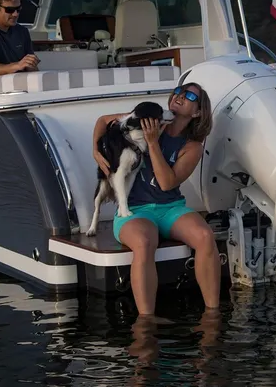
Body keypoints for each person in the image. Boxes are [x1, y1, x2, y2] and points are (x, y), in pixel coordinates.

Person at [92, 83, 218, 316]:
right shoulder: (146, 118)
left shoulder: (192, 148)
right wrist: (96, 151)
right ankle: (146, 322)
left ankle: (212, 315)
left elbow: (166, 183)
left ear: (198, 112)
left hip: (170, 208)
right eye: (179, 91)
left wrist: (152, 143)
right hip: (135, 210)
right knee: (144, 242)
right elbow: (102, 121)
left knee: (204, 236)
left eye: (190, 96)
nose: (180, 96)